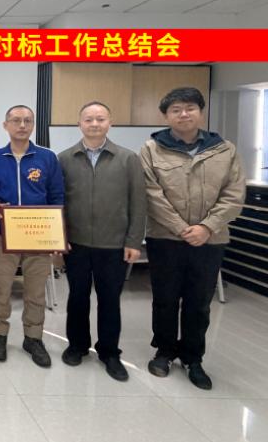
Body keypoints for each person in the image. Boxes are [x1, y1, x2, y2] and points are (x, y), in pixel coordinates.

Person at [140, 87, 245, 390]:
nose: (183, 114)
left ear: (201, 111)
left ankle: (193, 358)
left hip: (210, 239)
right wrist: (181, 228)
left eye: (189, 108)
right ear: (165, 116)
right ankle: (164, 351)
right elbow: (151, 193)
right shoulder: (151, 149)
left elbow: (234, 194)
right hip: (165, 238)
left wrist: (206, 227)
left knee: (199, 302)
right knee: (165, 298)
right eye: (176, 110)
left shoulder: (224, 150)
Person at [57, 101, 146, 381]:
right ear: (79, 124)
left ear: (110, 122)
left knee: (109, 301)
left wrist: (134, 241)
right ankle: (77, 345)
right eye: (88, 119)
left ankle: (109, 352)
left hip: (114, 245)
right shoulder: (64, 158)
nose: (94, 124)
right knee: (77, 297)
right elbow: (58, 203)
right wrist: (60, 239)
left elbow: (138, 203)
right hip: (76, 244)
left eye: (100, 119)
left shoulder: (128, 159)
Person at [0, 105, 64, 368]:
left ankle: (33, 337)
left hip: (38, 237)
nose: (22, 125)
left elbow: (57, 196)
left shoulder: (47, 158)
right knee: (1, 288)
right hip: (2, 236)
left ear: (33, 125)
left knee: (35, 291)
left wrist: (57, 234)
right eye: (16, 120)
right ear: (5, 125)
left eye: (27, 121)